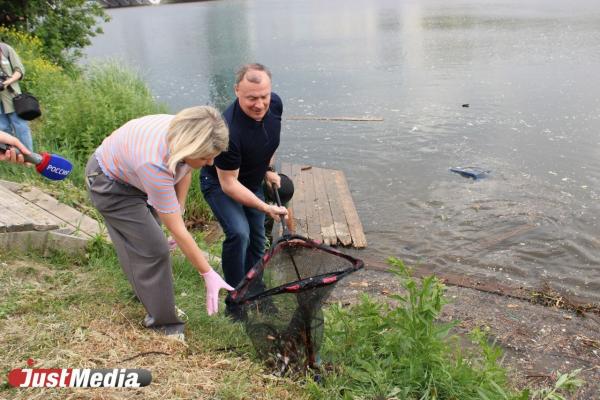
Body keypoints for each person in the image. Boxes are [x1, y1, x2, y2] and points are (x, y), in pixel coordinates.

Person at [85, 106, 233, 341]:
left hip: (130, 174)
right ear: (189, 147)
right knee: (154, 250)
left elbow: (184, 169)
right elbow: (177, 229)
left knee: (145, 245)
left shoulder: (184, 132)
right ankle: (164, 325)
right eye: (206, 157)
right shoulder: (153, 163)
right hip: (110, 184)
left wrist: (180, 209)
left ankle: (151, 298)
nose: (210, 162)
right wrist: (207, 273)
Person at [200, 63, 287, 320]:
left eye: (264, 96)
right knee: (240, 234)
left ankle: (255, 292)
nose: (260, 104)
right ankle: (235, 299)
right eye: (251, 98)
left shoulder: (276, 105)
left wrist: (268, 168)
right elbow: (229, 184)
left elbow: (271, 137)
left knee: (259, 240)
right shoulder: (228, 129)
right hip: (220, 184)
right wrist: (265, 207)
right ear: (237, 90)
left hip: (251, 181)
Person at [0, 41, 33, 151]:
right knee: (3, 128)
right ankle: (10, 156)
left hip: (12, 96)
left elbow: (19, 70)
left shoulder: (6, 49)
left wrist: (7, 82)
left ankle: (28, 156)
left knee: (21, 126)